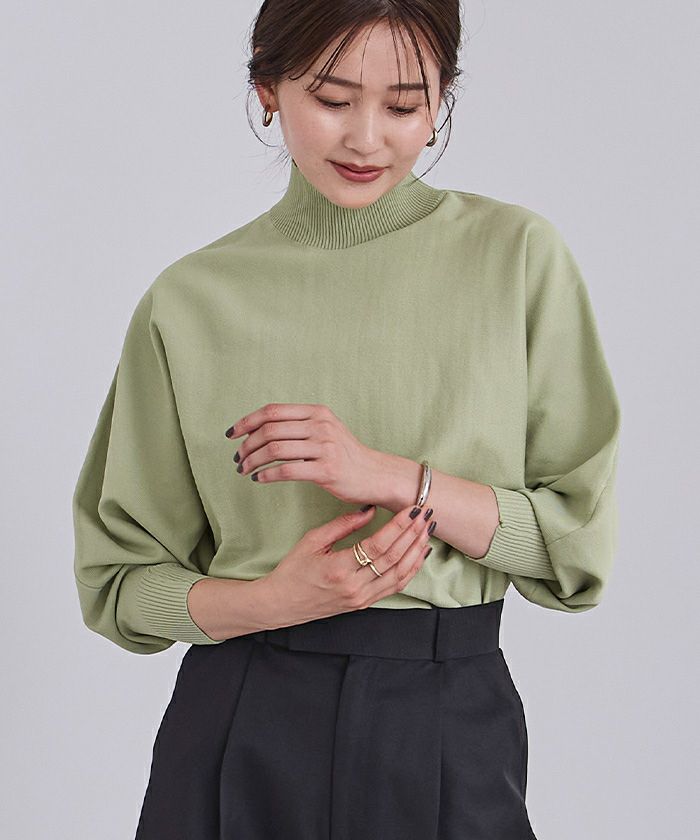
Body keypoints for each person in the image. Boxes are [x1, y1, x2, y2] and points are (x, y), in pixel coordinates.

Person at [71, 2, 622, 838]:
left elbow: (576, 550)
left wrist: (391, 477)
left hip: (446, 714)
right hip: (242, 713)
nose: (367, 138)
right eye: (332, 99)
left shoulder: (516, 259)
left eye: (404, 105)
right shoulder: (189, 300)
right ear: (267, 85)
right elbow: (120, 585)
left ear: (441, 100)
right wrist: (271, 601)